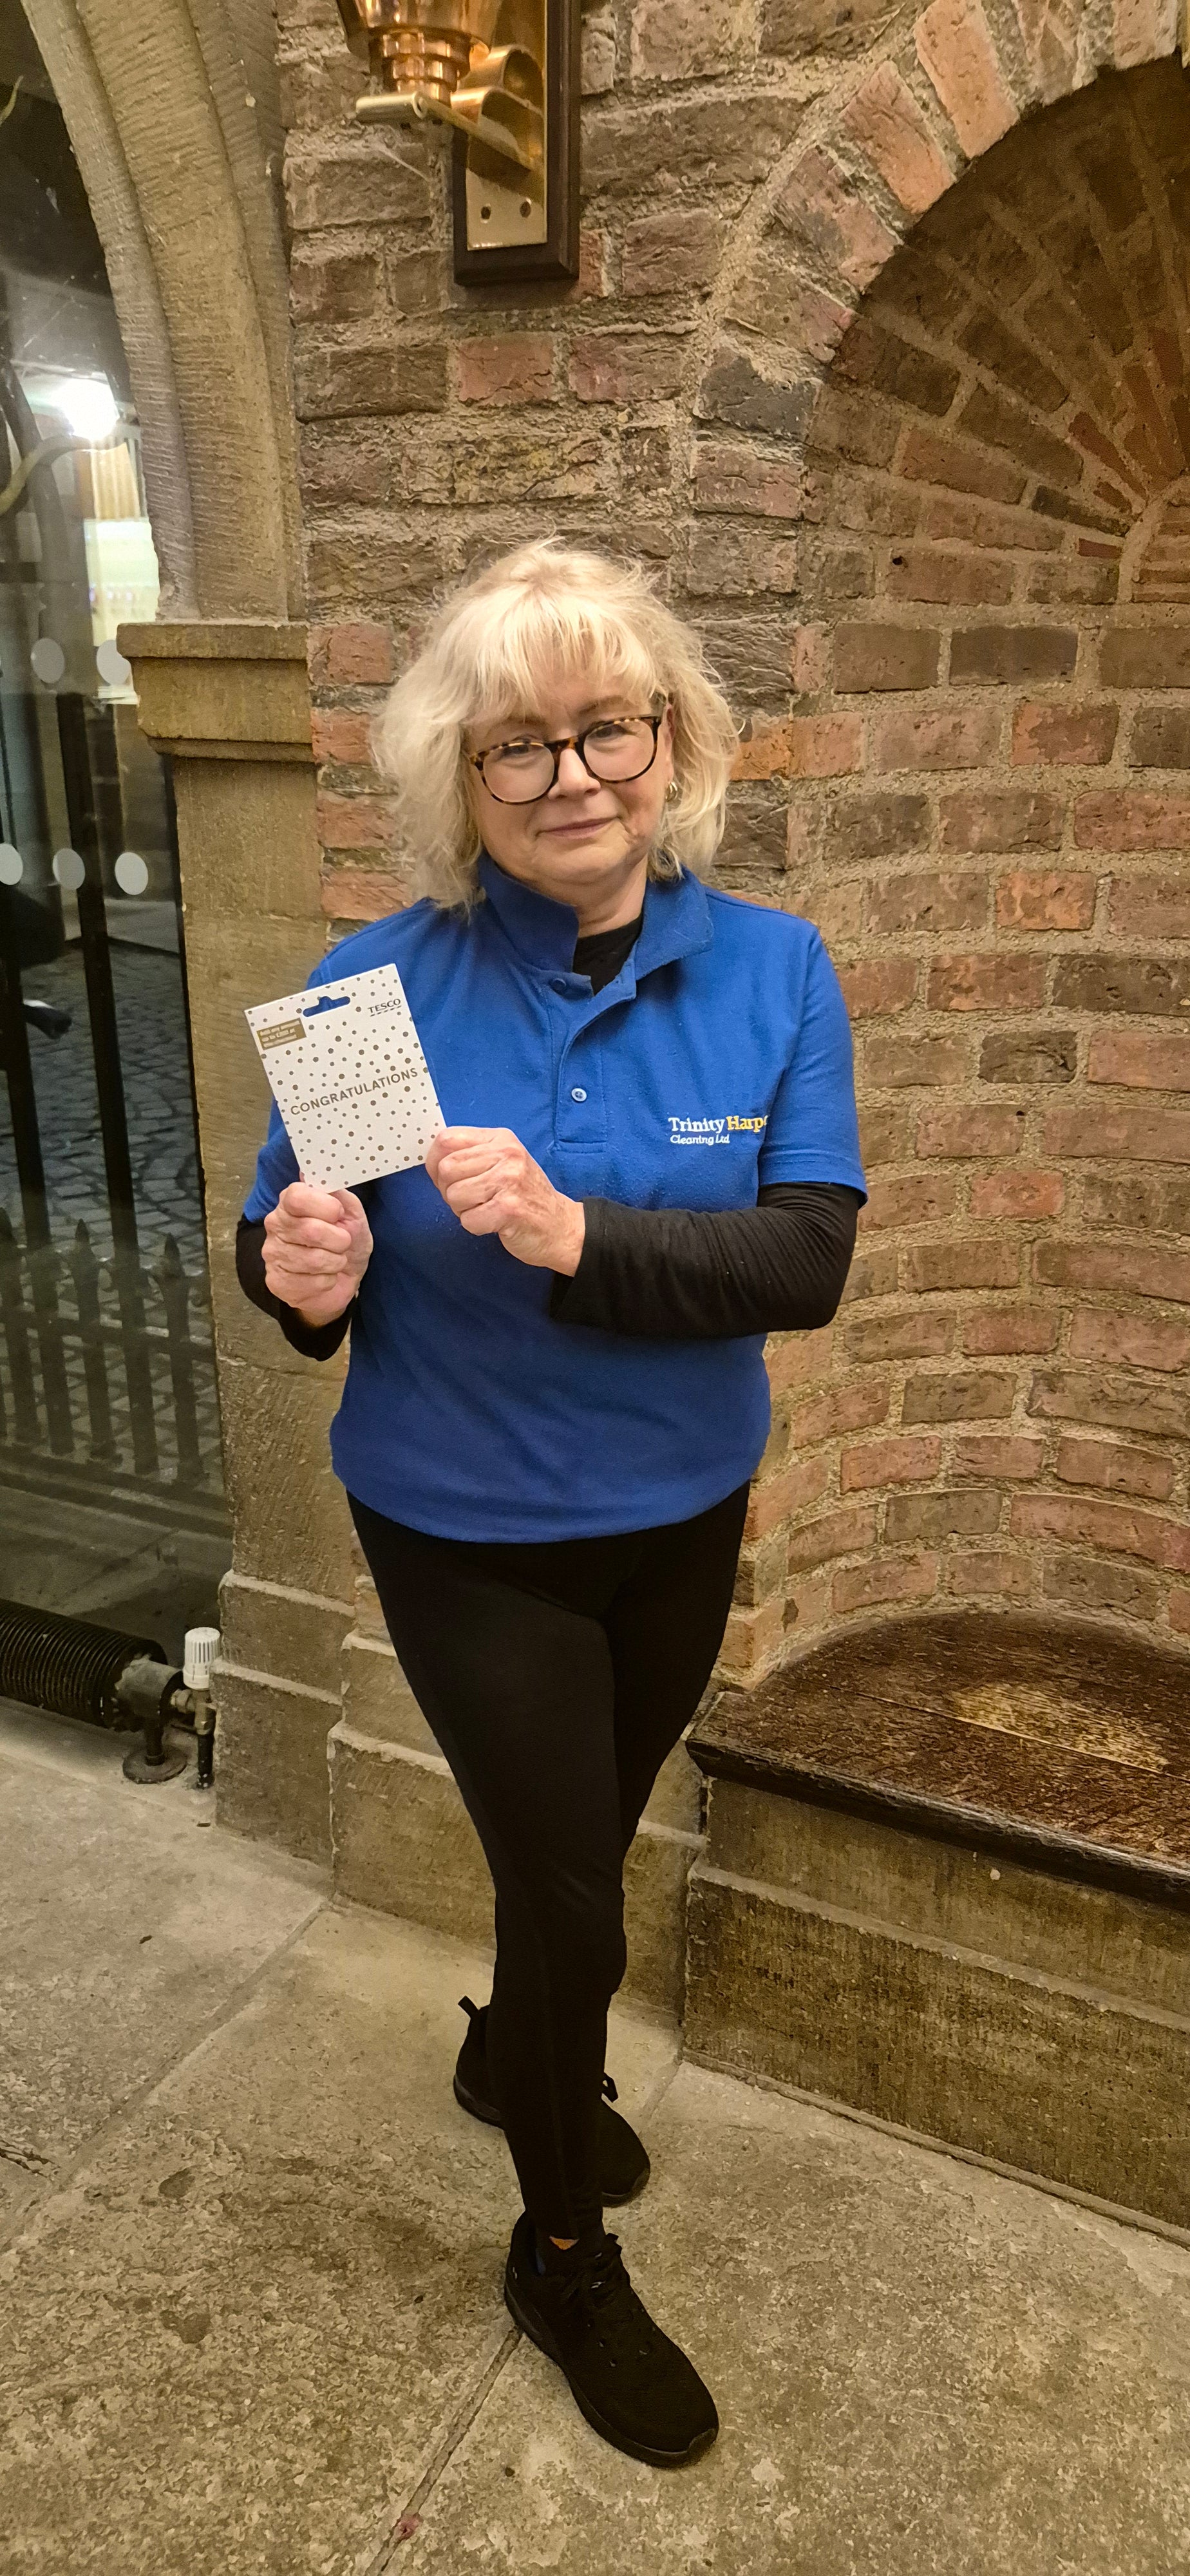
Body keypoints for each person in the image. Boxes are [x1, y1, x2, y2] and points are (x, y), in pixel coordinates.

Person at [237, 539, 865, 2469]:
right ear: (460, 781)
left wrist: (582, 1234)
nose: (572, 776)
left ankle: (516, 2050)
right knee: (574, 1882)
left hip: (680, 1508)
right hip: (460, 1521)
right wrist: (301, 1275)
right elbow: (299, 1261)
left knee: (574, 1858)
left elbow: (802, 1267)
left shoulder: (770, 970)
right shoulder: (376, 990)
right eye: (518, 747)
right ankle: (561, 2249)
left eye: (609, 728)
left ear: (672, 743)